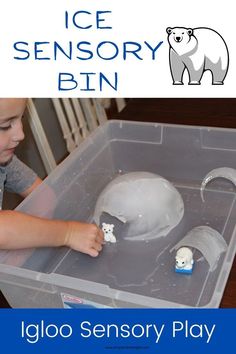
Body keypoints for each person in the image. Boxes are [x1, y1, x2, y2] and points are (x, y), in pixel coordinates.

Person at [0, 98, 104, 257]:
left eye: (21, 118)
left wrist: (21, 257)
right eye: (5, 125)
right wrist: (67, 233)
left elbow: (43, 197)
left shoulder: (5, 161)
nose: (21, 135)